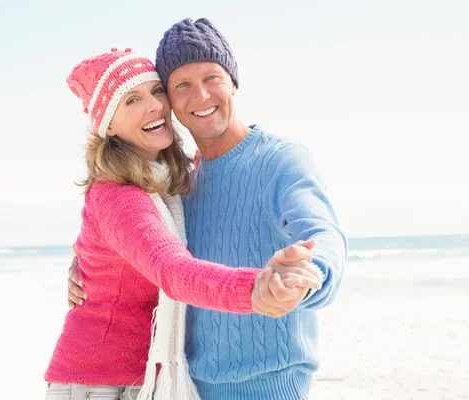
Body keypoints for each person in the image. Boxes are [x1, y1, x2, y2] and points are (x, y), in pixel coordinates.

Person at [67, 19, 348, 400]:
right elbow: (157, 256)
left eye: (212, 77)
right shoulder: (182, 182)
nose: (200, 96)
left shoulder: (283, 161)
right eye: (182, 85)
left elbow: (322, 233)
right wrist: (84, 265)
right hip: (190, 387)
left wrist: (304, 275)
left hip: (271, 387)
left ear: (233, 82)